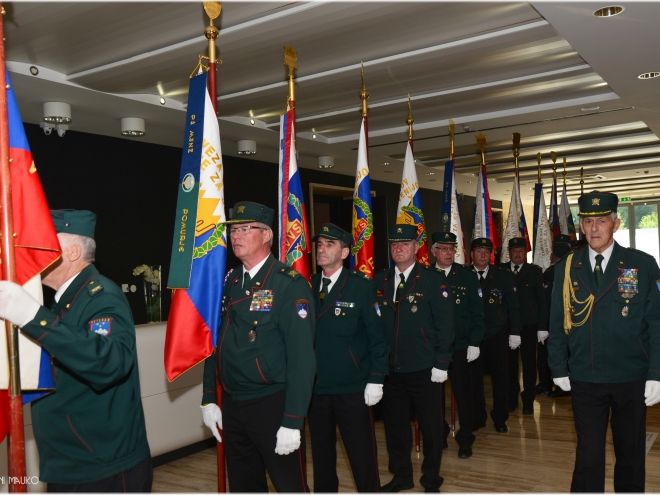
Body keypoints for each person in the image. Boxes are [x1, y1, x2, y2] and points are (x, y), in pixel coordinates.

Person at [0, 209, 152, 492]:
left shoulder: (101, 295)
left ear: (71, 253)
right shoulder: (64, 302)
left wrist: (35, 316)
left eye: (43, 245)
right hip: (70, 462)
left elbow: (110, 362)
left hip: (101, 466)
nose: (34, 254)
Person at [200, 201, 316, 493]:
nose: (236, 236)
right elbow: (214, 340)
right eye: (233, 230)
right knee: (243, 484)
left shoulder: (288, 284)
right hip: (234, 403)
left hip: (271, 403)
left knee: (288, 484)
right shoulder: (231, 281)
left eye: (245, 229)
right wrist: (209, 396)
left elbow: (302, 358)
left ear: (266, 235)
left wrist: (293, 420)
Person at [548, 191, 660, 492]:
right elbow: (557, 322)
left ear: (616, 223)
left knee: (631, 453)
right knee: (588, 455)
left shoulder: (642, 265)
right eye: (587, 221)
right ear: (581, 227)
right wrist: (558, 366)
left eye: (601, 220)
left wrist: (656, 373)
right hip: (586, 376)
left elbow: (657, 323)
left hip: (631, 376)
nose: (594, 228)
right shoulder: (567, 268)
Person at [308, 223, 388, 492]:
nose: (321, 249)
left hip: (352, 388)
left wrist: (376, 379)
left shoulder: (360, 286)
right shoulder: (306, 284)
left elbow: (378, 337)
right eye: (319, 245)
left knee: (362, 454)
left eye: (329, 245)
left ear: (344, 252)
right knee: (321, 456)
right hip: (316, 389)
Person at [374, 224, 454, 493]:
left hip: (425, 368)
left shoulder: (431, 280)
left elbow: (446, 324)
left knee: (431, 428)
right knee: (395, 428)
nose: (399, 248)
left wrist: (442, 362)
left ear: (416, 247)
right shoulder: (381, 280)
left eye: (405, 244)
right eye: (394, 244)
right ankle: (401, 476)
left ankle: (431, 478)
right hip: (391, 370)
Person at [431, 231, 485, 459]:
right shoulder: (425, 276)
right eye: (443, 249)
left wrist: (475, 342)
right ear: (433, 251)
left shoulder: (467, 277)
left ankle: (465, 439)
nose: (448, 253)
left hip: (460, 346)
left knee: (464, 395)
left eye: (451, 249)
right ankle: (439, 434)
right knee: (433, 396)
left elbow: (477, 313)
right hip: (432, 348)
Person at [470, 237, 522, 433]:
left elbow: (513, 306)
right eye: (478, 251)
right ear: (471, 254)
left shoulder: (502, 276)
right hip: (473, 337)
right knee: (474, 379)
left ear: (490, 255)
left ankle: (500, 417)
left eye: (486, 252)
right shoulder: (465, 276)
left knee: (501, 378)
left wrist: (515, 331)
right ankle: (478, 417)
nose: (482, 255)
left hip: (497, 333)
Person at [506, 237, 548, 414]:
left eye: (521, 251)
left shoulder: (534, 272)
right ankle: (512, 398)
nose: (517, 254)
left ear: (526, 253)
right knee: (509, 365)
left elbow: (542, 301)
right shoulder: (501, 271)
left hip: (529, 325)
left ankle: (528, 400)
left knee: (530, 364)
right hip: (507, 326)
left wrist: (542, 326)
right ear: (509, 253)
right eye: (514, 251)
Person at [537, 234, 572, 398]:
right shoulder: (567, 269)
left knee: (554, 353)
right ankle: (550, 383)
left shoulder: (552, 272)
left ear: (553, 255)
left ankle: (553, 384)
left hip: (554, 319)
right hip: (561, 319)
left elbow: (546, 299)